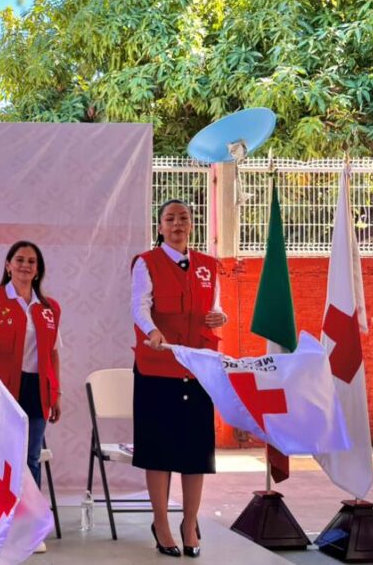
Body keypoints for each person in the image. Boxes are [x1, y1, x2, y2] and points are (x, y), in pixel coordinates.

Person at [131, 199, 227, 558]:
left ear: (191, 224)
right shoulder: (147, 262)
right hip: (158, 367)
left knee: (194, 452)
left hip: (198, 367)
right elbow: (138, 306)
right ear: (160, 227)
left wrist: (220, 317)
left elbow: (213, 307)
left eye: (183, 218)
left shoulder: (208, 266)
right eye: (169, 219)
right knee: (159, 450)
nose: (177, 224)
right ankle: (162, 523)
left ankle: (190, 523)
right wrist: (152, 331)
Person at [0, 240, 62, 553]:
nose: (25, 266)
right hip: (1, 392)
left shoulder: (49, 308)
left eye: (32, 261)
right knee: (2, 461)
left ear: (38, 269)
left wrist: (55, 393)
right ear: (8, 265)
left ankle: (28, 528)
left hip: (36, 391)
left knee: (30, 459)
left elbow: (53, 353)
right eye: (19, 260)